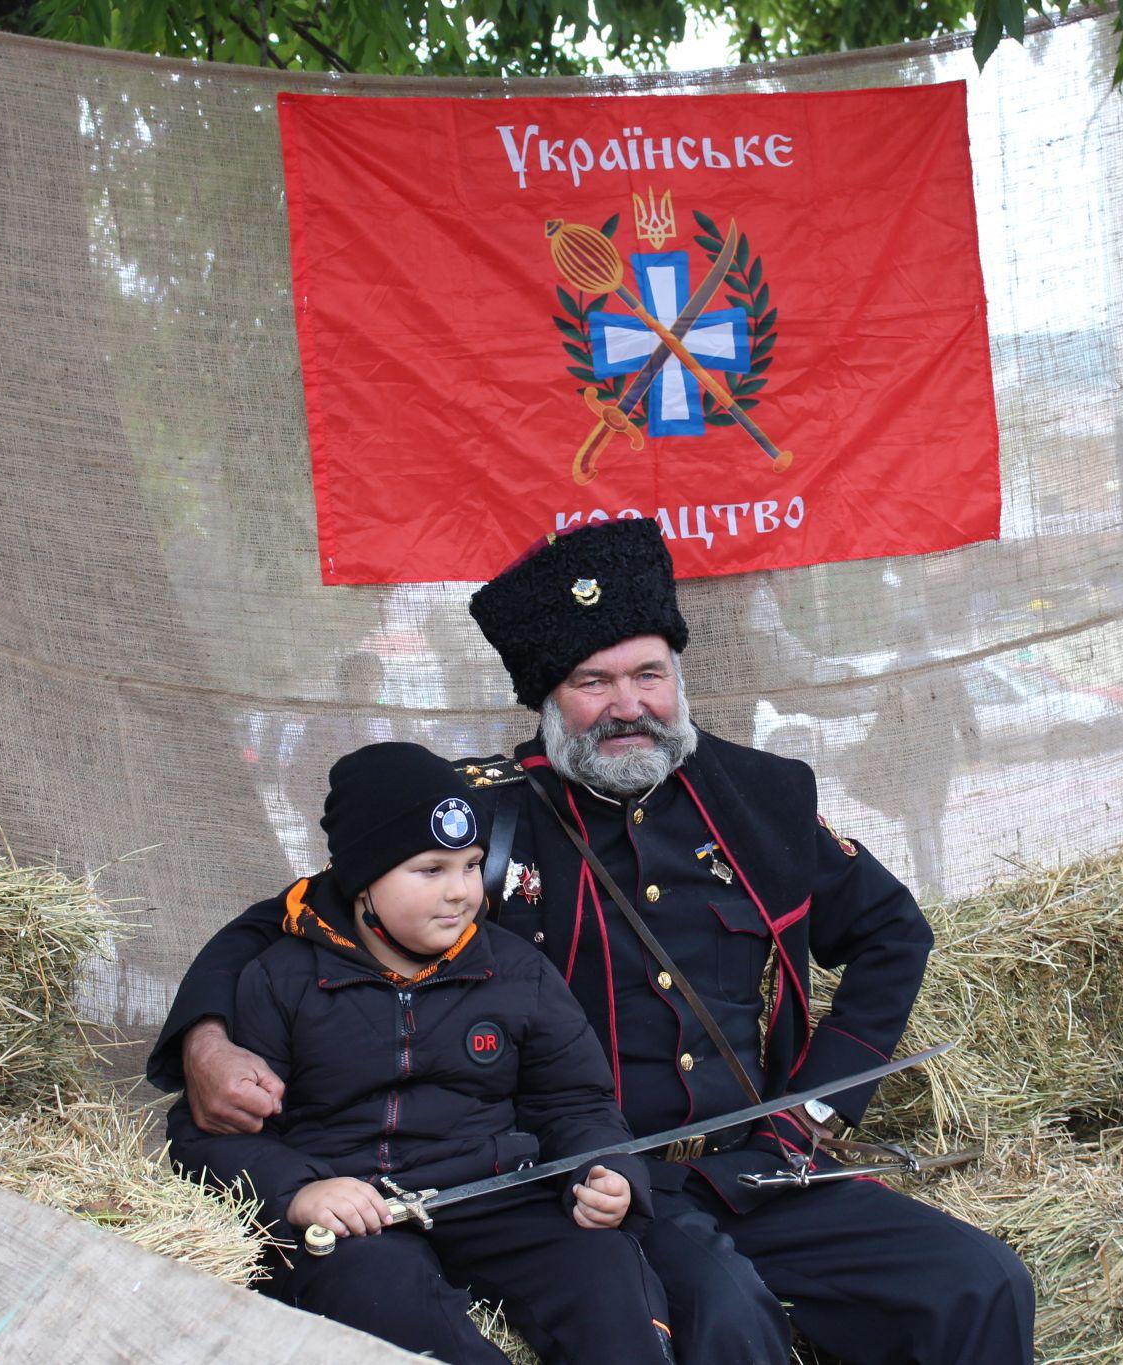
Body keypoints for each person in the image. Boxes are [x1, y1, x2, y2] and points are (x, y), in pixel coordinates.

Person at [151, 518, 1036, 1365]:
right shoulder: (484, 819)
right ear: (547, 699)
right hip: (593, 1184)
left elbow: (891, 930)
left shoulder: (763, 797)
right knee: (725, 1324)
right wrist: (206, 1038)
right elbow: (293, 917)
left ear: (678, 674)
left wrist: (814, 1108)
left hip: (762, 1169)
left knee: (982, 1284)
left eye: (648, 674)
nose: (628, 707)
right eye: (592, 682)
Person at [165, 742, 674, 1365]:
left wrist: (606, 1169)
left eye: (471, 865)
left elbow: (576, 1100)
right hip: (357, 1218)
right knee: (380, 1296)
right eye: (430, 870)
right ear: (362, 880)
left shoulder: (518, 972)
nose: (461, 892)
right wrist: (297, 1193)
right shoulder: (279, 980)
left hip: (494, 1195)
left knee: (604, 1269)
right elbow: (209, 1135)